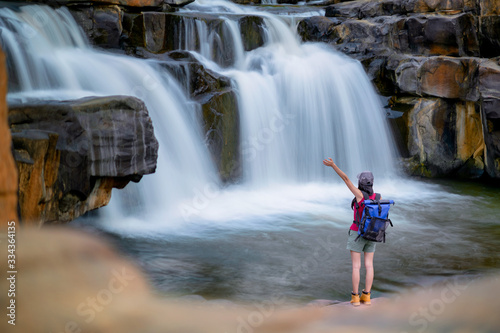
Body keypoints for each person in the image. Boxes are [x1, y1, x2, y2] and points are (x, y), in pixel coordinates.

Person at [323, 157, 378, 306]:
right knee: (369, 265)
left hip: (357, 233)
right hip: (373, 234)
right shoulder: (377, 197)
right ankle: (367, 296)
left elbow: (346, 179)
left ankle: (355, 297)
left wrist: (334, 165)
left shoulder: (360, 195)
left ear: (361, 182)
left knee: (356, 266)